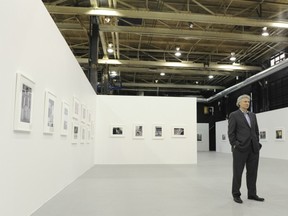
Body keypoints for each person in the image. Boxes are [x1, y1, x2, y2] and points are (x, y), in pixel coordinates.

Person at [228, 94, 264, 204]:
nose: (247, 103)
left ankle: (252, 194)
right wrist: (235, 144)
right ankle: (236, 194)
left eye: (248, 102)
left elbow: (256, 131)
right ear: (239, 103)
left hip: (253, 148)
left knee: (253, 172)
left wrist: (257, 143)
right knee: (238, 172)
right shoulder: (234, 115)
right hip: (240, 148)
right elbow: (231, 133)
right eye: (245, 101)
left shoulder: (253, 115)